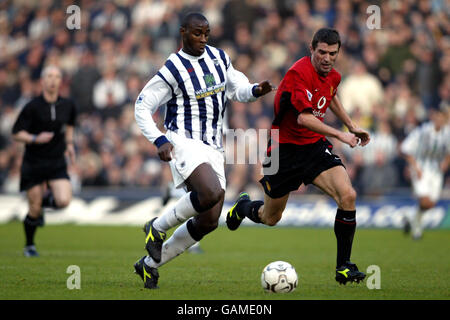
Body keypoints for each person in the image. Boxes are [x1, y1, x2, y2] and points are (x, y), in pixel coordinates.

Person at [133, 12, 274, 289]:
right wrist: (158, 139)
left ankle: (149, 266)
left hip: (213, 145)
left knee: (210, 220)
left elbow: (237, 89)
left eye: (206, 33)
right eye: (197, 33)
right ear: (183, 32)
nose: (202, 38)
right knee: (211, 192)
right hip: (184, 140)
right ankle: (157, 227)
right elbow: (142, 104)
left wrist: (256, 90)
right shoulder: (173, 67)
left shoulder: (219, 58)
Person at [226, 28, 371, 285]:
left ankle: (343, 267)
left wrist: (352, 126)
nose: (327, 58)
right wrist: (341, 135)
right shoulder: (298, 73)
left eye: (332, 53)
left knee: (348, 196)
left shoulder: (333, 75)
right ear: (312, 49)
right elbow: (304, 118)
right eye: (322, 52)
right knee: (270, 218)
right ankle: (243, 207)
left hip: (313, 146)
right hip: (283, 151)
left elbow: (331, 95)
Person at [12, 65, 77, 257]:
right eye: (49, 76)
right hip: (34, 162)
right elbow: (16, 133)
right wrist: (34, 138)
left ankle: (41, 204)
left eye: (57, 76)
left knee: (64, 200)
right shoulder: (32, 107)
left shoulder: (68, 105)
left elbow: (70, 125)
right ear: (42, 81)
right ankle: (29, 245)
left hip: (56, 161)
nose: (53, 80)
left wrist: (70, 144)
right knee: (33, 208)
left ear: (60, 81)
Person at [400, 105, 450, 240]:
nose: (439, 119)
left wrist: (445, 164)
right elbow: (406, 149)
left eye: (442, 117)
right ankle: (417, 232)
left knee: (430, 204)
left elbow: (448, 153)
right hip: (421, 168)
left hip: (436, 171)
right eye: (437, 116)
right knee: (425, 200)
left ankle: (410, 218)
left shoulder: (447, 133)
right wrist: (415, 168)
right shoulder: (422, 131)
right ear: (434, 117)